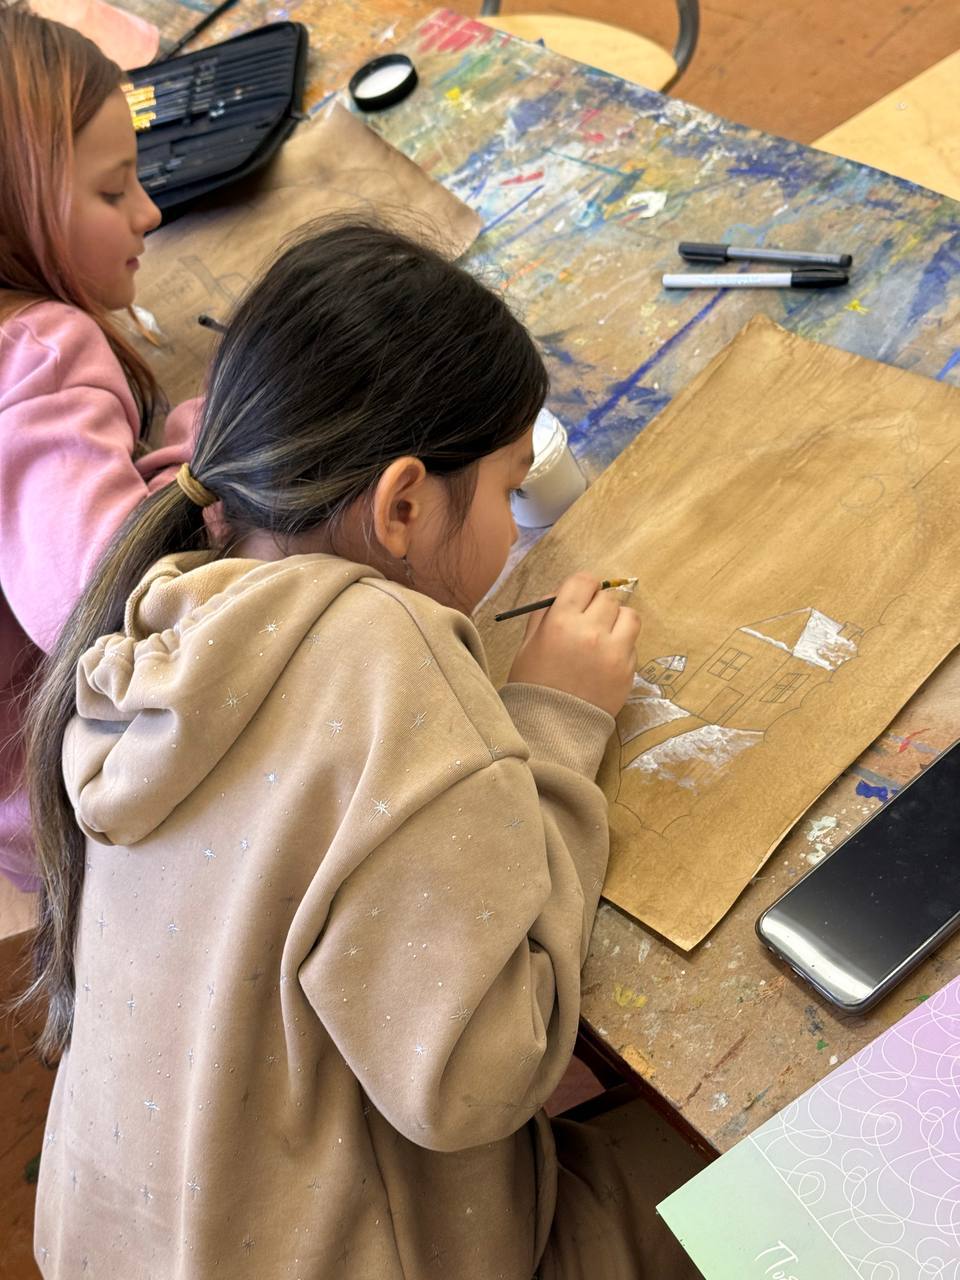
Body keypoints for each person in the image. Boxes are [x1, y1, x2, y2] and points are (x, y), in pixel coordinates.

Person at [25, 222, 704, 1278]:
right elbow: (483, 1074)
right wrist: (555, 721)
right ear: (403, 505)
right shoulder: (384, 651)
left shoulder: (155, 624)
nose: (517, 525)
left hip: (126, 1252)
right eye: (509, 488)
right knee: (769, 1165)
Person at [0, 1, 197, 892]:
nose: (149, 213)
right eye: (114, 192)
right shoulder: (39, 350)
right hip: (94, 815)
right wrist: (207, 447)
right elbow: (109, 608)